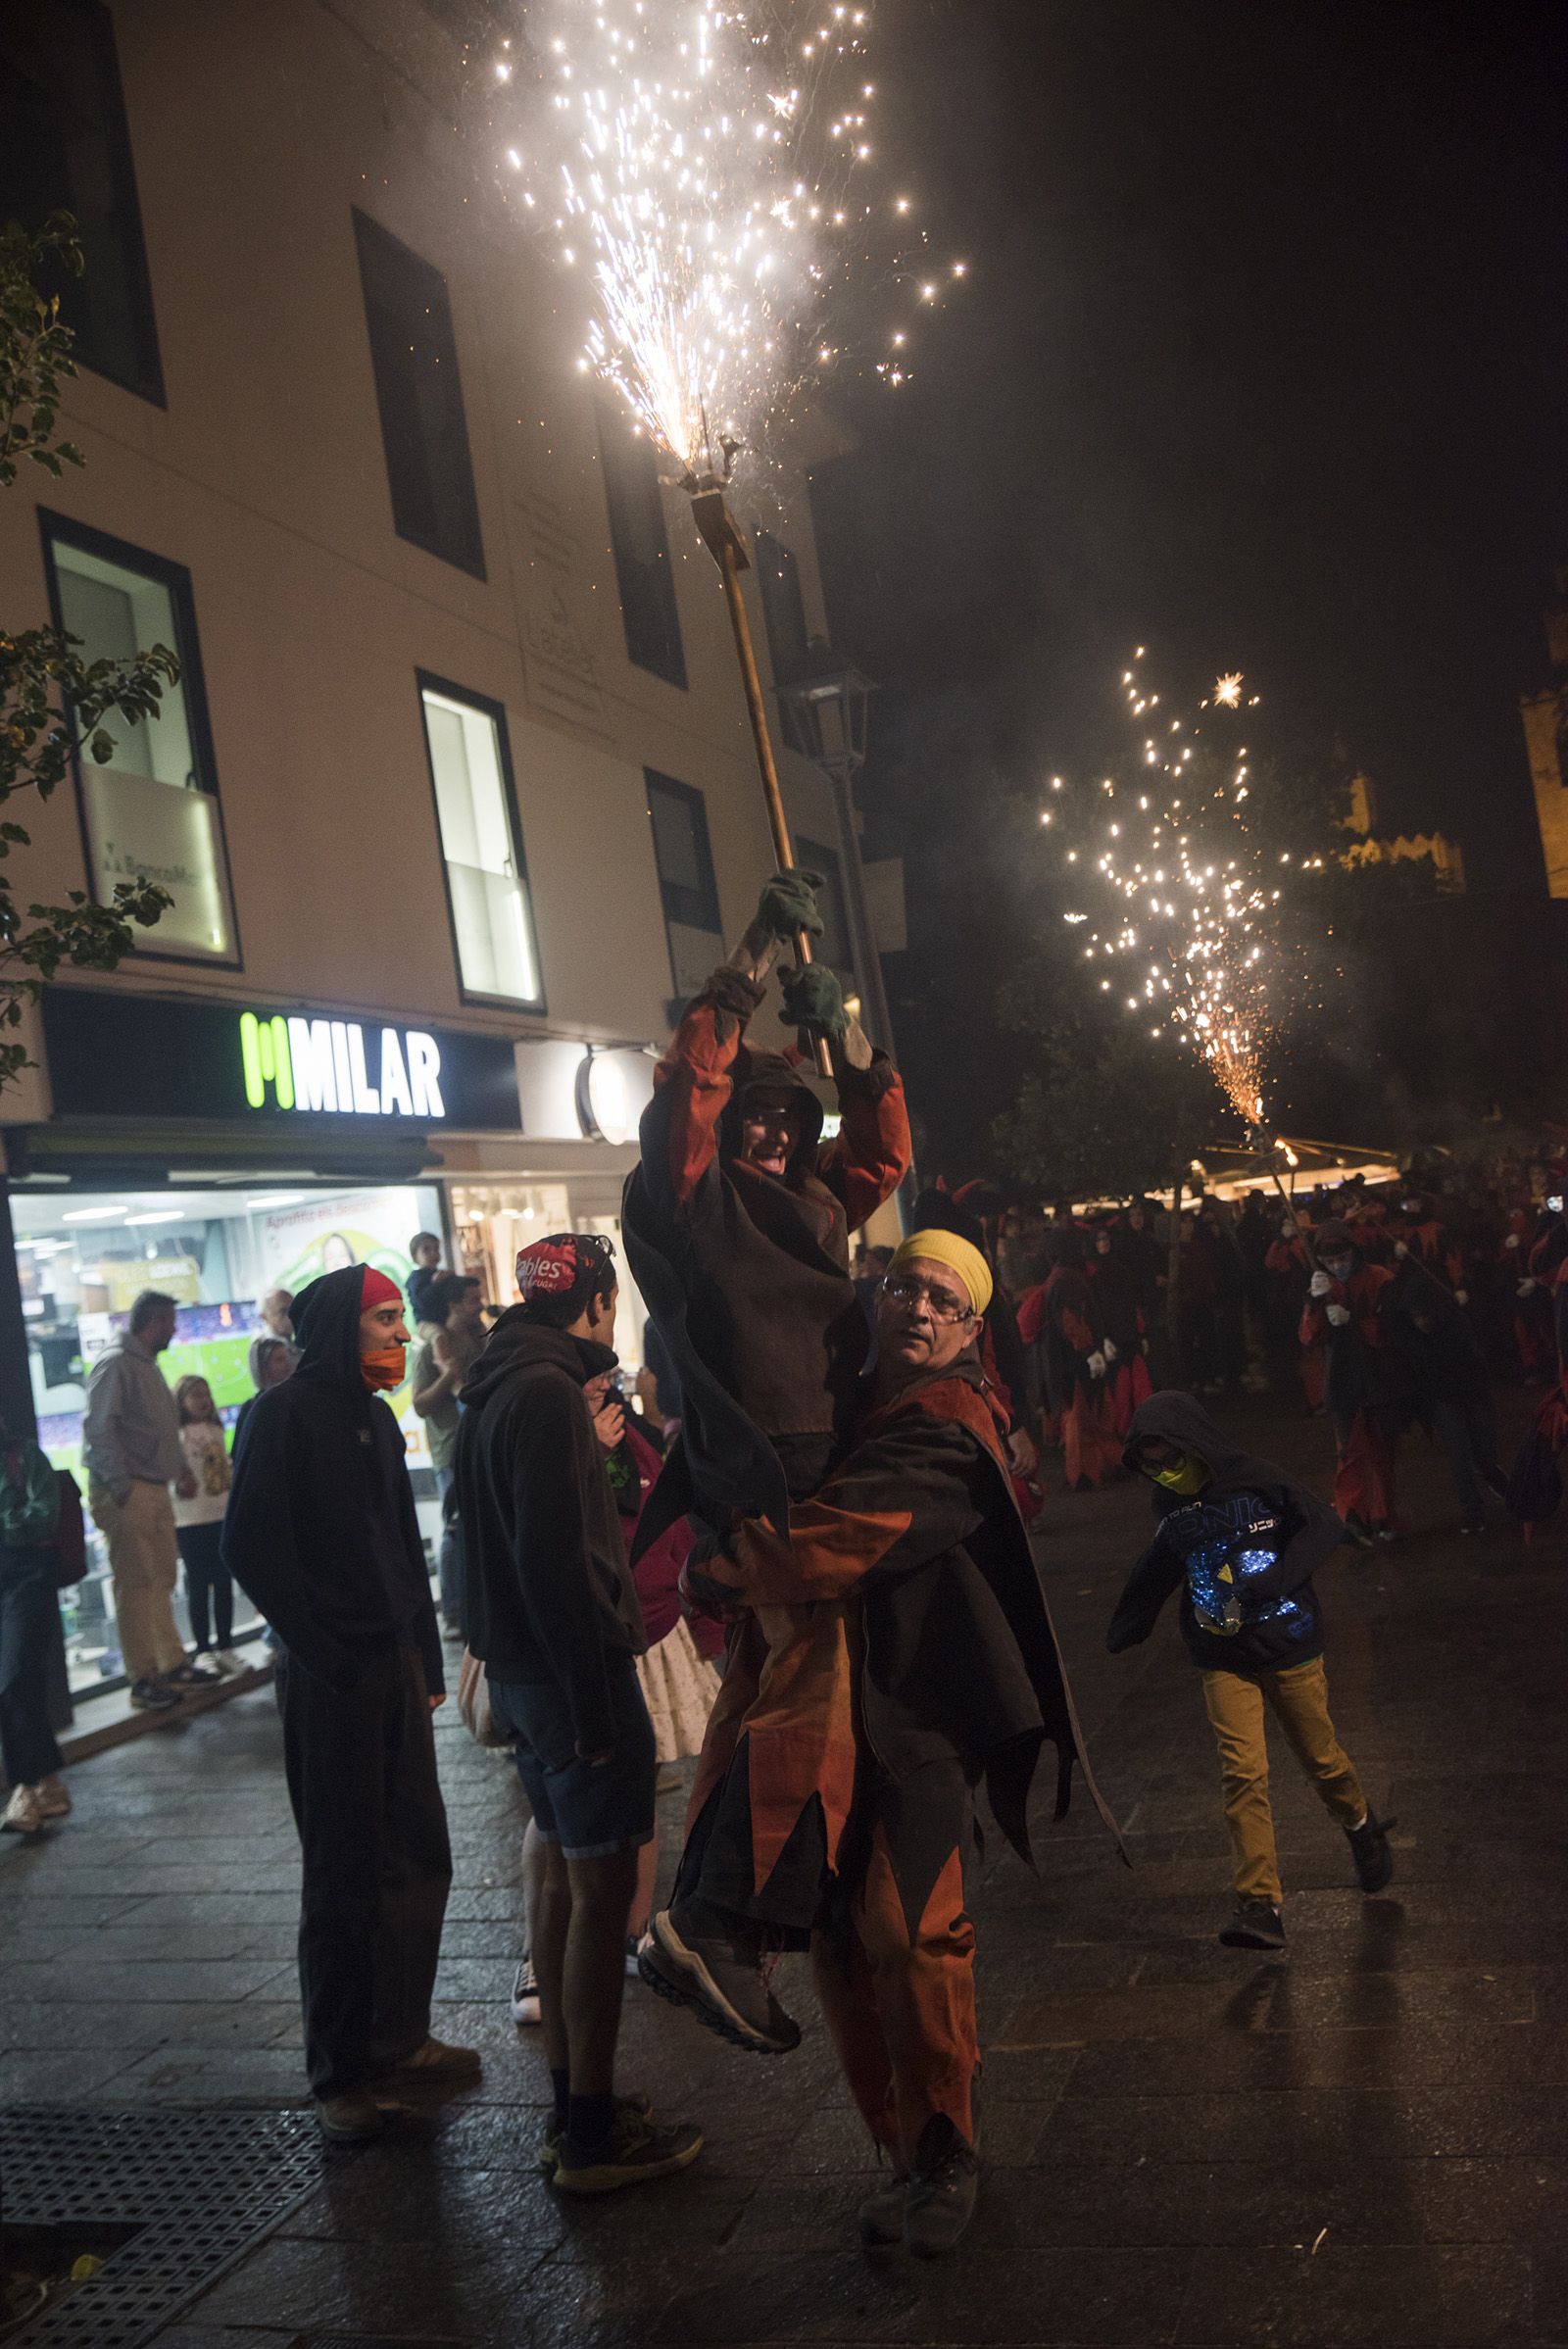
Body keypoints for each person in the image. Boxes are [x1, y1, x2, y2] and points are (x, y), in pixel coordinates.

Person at [643, 1230, 1121, 2255]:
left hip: (917, 1719)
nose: (915, 1310)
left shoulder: (949, 1428)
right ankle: (899, 2153)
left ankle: (947, 2152)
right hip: (830, 1715)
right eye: (904, 1287)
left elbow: (833, 1542)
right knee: (837, 1945)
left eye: (941, 1301)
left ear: (971, 1331)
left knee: (913, 1937)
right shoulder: (843, 1400)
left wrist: (720, 1569)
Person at [458, 1233, 703, 2195]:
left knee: (563, 1878)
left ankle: (572, 2106)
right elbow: (558, 1564)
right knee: (603, 1902)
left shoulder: (493, 1387)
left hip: (520, 1676)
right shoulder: (552, 1397)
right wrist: (600, 1704)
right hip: (571, 1680)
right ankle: (592, 2132)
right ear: (598, 1303)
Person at [222, 1264, 474, 2144]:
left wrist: (422, 1647)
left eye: (403, 1321)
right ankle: (340, 2072)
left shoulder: (373, 1414)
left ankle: (397, 2038)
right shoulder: (280, 1412)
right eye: (384, 1320)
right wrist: (323, 1651)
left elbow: (400, 1539)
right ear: (339, 1328)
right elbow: (249, 1543)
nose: (401, 1337)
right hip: (334, 1674)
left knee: (416, 1848)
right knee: (343, 1868)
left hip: (394, 1662)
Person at [621, 867, 910, 1558]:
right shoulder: (696, 1192)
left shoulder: (819, 1192)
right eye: (759, 1116)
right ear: (730, 1124)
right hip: (747, 1464)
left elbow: (886, 1153)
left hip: (839, 1444)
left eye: (791, 1117)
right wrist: (758, 948)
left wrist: (848, 1041)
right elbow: (690, 1082)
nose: (778, 1133)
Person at [1109, 1392, 1393, 1952]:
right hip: (1221, 1654)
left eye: (1172, 1458)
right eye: (1153, 1464)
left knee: (1320, 1756)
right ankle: (1260, 1903)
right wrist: (1131, 1619)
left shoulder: (1258, 1479)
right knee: (1242, 1772)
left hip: (1289, 1644)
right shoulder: (1168, 1505)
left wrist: (1276, 1581)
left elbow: (1322, 1527)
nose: (1165, 1472)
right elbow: (1162, 1563)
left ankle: (1360, 1824)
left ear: (1196, 1442)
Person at [82, 1292, 212, 1712]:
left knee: (160, 1581)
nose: (175, 1330)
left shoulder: (141, 1365)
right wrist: (120, 1485)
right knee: (137, 1585)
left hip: (150, 1486)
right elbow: (100, 1428)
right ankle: (143, 1677)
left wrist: (178, 1472)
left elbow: (152, 1428)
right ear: (153, 1323)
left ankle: (170, 1664)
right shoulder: (117, 1362)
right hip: (129, 1489)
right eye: (171, 1322)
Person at [1298, 1218, 1407, 1545]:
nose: (1337, 1266)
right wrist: (1315, 1303)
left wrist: (1356, 1323)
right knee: (1349, 1452)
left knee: (1381, 1450)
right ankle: (1353, 1516)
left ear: (1354, 1253)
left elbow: (1395, 1329)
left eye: (1342, 1259)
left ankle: (1384, 1515)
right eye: (1331, 1262)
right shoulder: (1321, 1285)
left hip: (1378, 1378)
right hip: (1342, 1380)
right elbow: (1308, 1337)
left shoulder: (1380, 1279)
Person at [1385, 1265, 1502, 1534]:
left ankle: (1491, 1479)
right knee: (1459, 1456)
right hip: (1443, 1399)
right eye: (1416, 1316)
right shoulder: (1408, 1334)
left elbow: (1468, 1363)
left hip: (1471, 1393)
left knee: (1484, 1454)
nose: (1422, 1321)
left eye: (1426, 1315)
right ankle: (1472, 1511)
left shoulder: (1456, 1325)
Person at [0, 1420, 69, 1835]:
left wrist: (8, 1523)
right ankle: (49, 1783)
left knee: (16, 1678)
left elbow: (43, 1519)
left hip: (27, 1577)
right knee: (11, 1683)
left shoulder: (24, 1457)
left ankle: (26, 1788)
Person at [411, 1273, 486, 1633]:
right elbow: (420, 1404)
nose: (480, 1305)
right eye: (472, 1300)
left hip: (479, 1442)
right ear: (452, 1305)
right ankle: (452, 1610)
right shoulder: (432, 1350)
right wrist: (447, 1378)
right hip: (450, 1449)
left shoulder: (477, 1339)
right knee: (453, 1528)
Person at [171, 1376, 241, 1674]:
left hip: (220, 1516)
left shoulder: (216, 1429)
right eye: (195, 1395)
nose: (202, 1400)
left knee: (224, 1583)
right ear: (182, 1401)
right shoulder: (178, 1435)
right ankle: (203, 1649)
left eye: (206, 1394)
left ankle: (226, 1645)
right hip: (190, 1520)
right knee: (198, 1585)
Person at [234, 1335, 295, 1453]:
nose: (288, 1364)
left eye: (286, 1358)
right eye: (279, 1360)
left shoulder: (295, 1400)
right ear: (262, 1366)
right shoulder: (251, 1408)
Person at [407, 1232, 446, 1330]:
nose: (433, 1253)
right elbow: (422, 1302)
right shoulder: (415, 1278)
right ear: (415, 1257)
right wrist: (435, 1284)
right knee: (438, 1336)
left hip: (443, 1319)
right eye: (426, 1250)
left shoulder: (440, 1274)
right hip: (426, 1322)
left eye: (436, 1248)